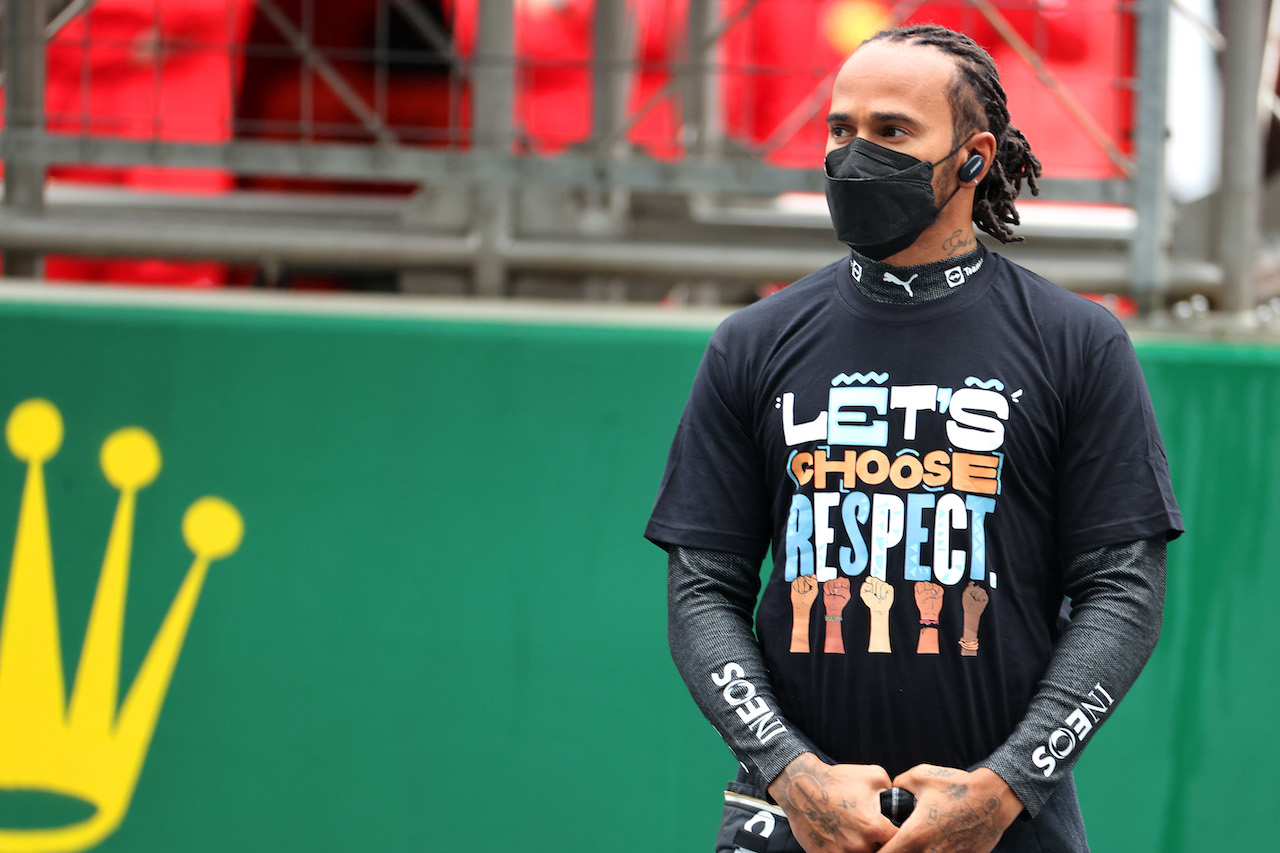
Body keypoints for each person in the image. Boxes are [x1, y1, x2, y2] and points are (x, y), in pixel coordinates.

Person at [644, 24, 1182, 853]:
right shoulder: (751, 341)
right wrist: (791, 772)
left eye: (891, 132)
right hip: (792, 823)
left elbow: (1124, 591)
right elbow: (702, 587)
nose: (855, 157)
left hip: (1005, 828)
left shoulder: (1078, 341)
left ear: (973, 157)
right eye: (839, 130)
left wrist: (1006, 787)